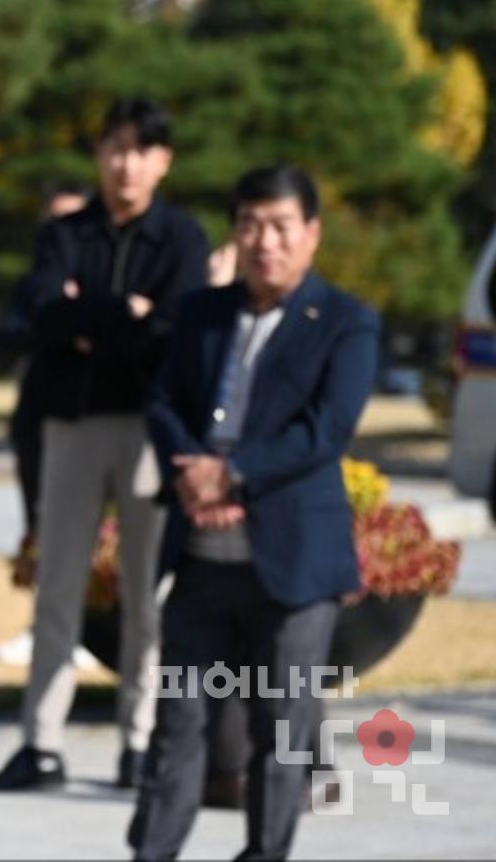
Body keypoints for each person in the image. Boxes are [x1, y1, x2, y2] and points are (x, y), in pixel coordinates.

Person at [128, 165, 378, 861]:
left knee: (282, 727)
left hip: (292, 567)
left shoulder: (347, 321)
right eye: (249, 224)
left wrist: (230, 473)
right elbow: (162, 401)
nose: (264, 241)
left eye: (280, 226)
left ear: (311, 233)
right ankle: (151, 851)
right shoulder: (203, 311)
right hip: (203, 560)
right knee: (178, 723)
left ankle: (265, 851)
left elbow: (325, 430)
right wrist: (190, 473)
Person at [0, 97, 209, 792]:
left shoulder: (183, 238)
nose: (124, 162)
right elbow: (44, 313)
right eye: (113, 147)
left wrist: (93, 321)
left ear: (162, 160)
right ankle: (40, 743)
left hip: (147, 428)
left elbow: (177, 330)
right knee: (58, 586)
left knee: (145, 593)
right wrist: (125, 314)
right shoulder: (65, 233)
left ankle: (139, 743)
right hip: (69, 423)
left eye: (140, 149)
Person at [0, 179, 91, 668]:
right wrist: (58, 321)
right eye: (55, 221)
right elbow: (6, 335)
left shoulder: (106, 274)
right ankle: (43, 628)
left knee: (100, 532)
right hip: (39, 416)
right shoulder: (35, 282)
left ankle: (92, 631)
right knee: (40, 525)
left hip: (96, 418)